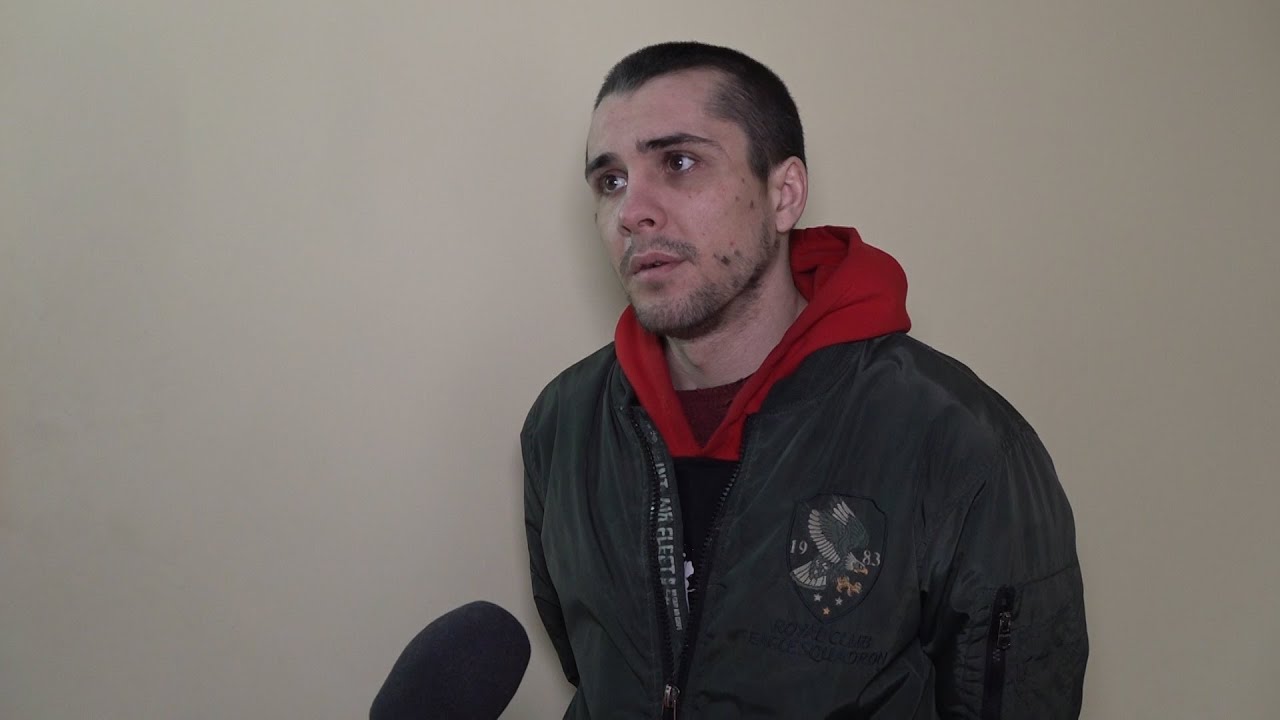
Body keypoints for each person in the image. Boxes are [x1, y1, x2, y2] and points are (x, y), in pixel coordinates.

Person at [522, 41, 1087, 719]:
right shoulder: (564, 422)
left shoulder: (960, 441)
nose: (631, 212)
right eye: (611, 181)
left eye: (678, 162)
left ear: (783, 194)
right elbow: (594, 667)